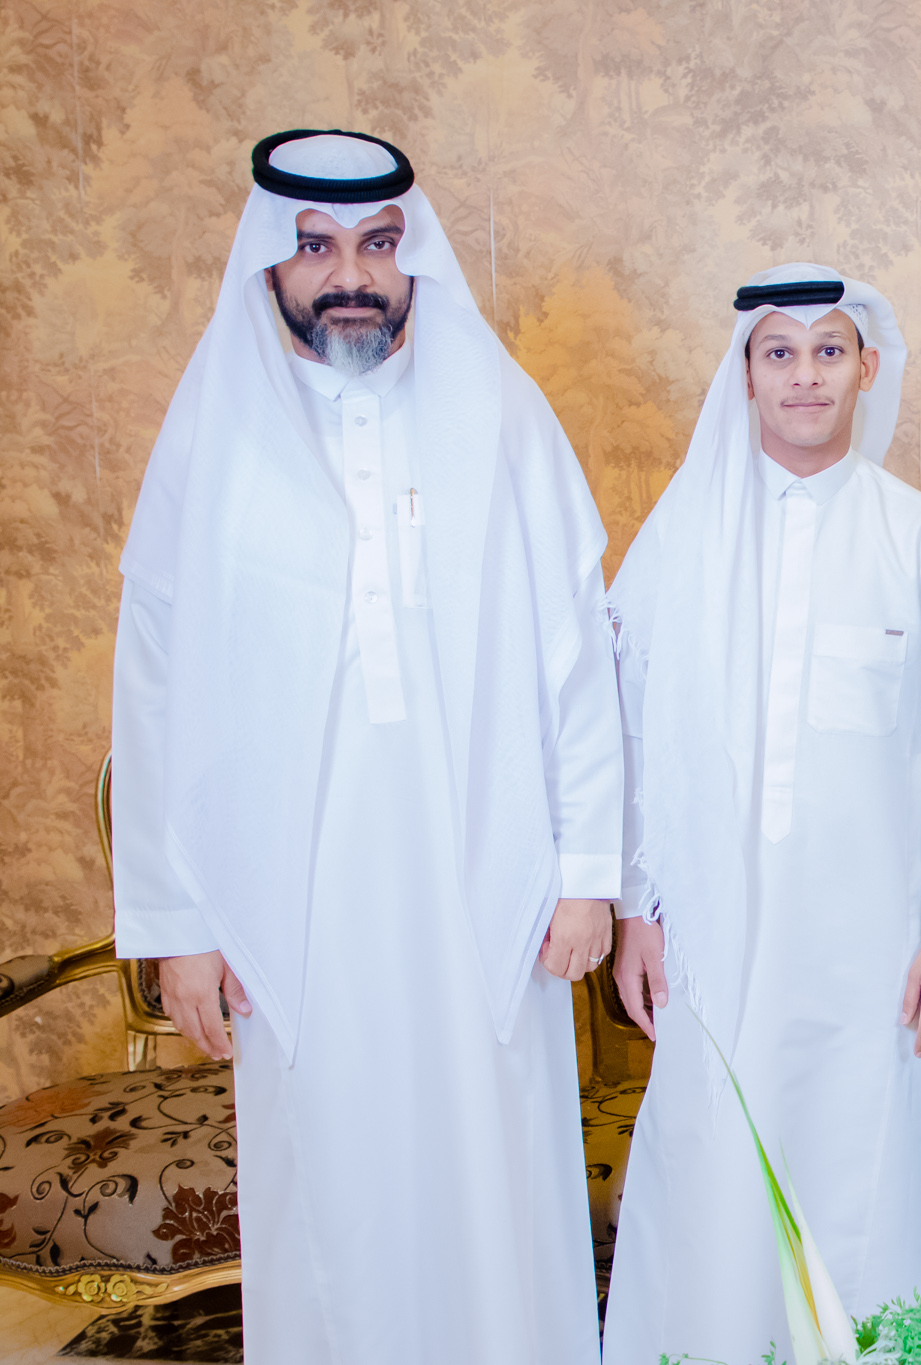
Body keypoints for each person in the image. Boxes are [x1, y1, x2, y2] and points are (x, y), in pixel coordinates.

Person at [111, 130, 619, 1364]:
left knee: (498, 1179)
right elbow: (156, 685)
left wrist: (584, 871)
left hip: (484, 883)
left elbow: (573, 651)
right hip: (300, 907)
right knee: (333, 1192)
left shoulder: (499, 414)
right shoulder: (213, 439)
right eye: (318, 247)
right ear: (270, 264)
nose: (352, 275)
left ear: (412, 257)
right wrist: (177, 922)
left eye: (380, 245)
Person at [602, 266, 921, 1365]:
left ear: (866, 368)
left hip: (880, 959)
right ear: (744, 374)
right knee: (711, 1182)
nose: (806, 375)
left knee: (868, 1197)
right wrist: (636, 909)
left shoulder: (920, 538)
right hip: (716, 949)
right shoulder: (680, 541)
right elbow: (630, 736)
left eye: (829, 350)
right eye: (779, 351)